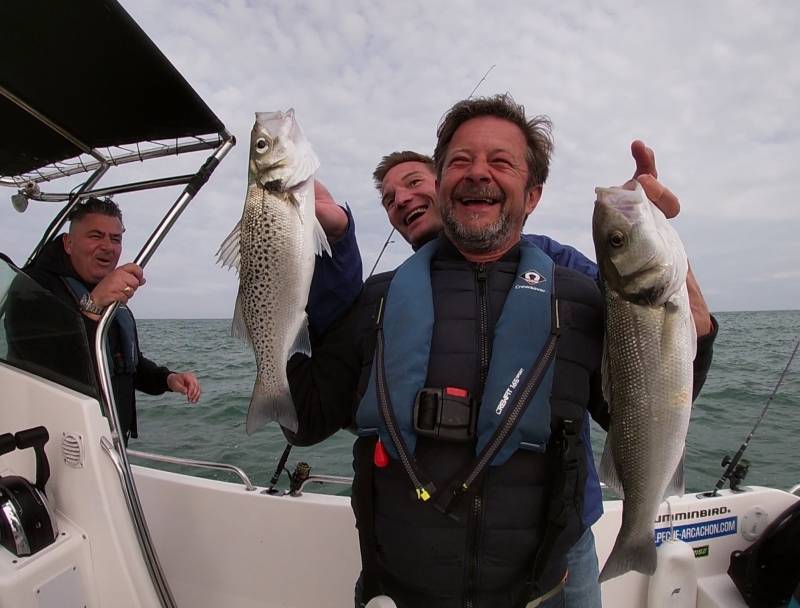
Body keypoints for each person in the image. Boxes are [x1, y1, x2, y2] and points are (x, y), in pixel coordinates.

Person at [288, 94, 715, 607]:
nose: (477, 174)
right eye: (460, 162)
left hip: (554, 576)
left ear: (532, 194)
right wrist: (279, 280)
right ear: (446, 183)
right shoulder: (378, 300)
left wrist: (657, 238)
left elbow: (645, 399)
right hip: (412, 584)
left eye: (501, 161)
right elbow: (306, 419)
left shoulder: (574, 289)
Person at [18, 197, 201, 444]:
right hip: (61, 445)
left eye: (115, 239)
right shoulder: (31, 288)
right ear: (68, 243)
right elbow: (46, 364)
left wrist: (167, 379)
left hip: (111, 442)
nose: (107, 246)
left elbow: (124, 366)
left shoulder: (109, 294)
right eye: (95, 236)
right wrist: (93, 305)